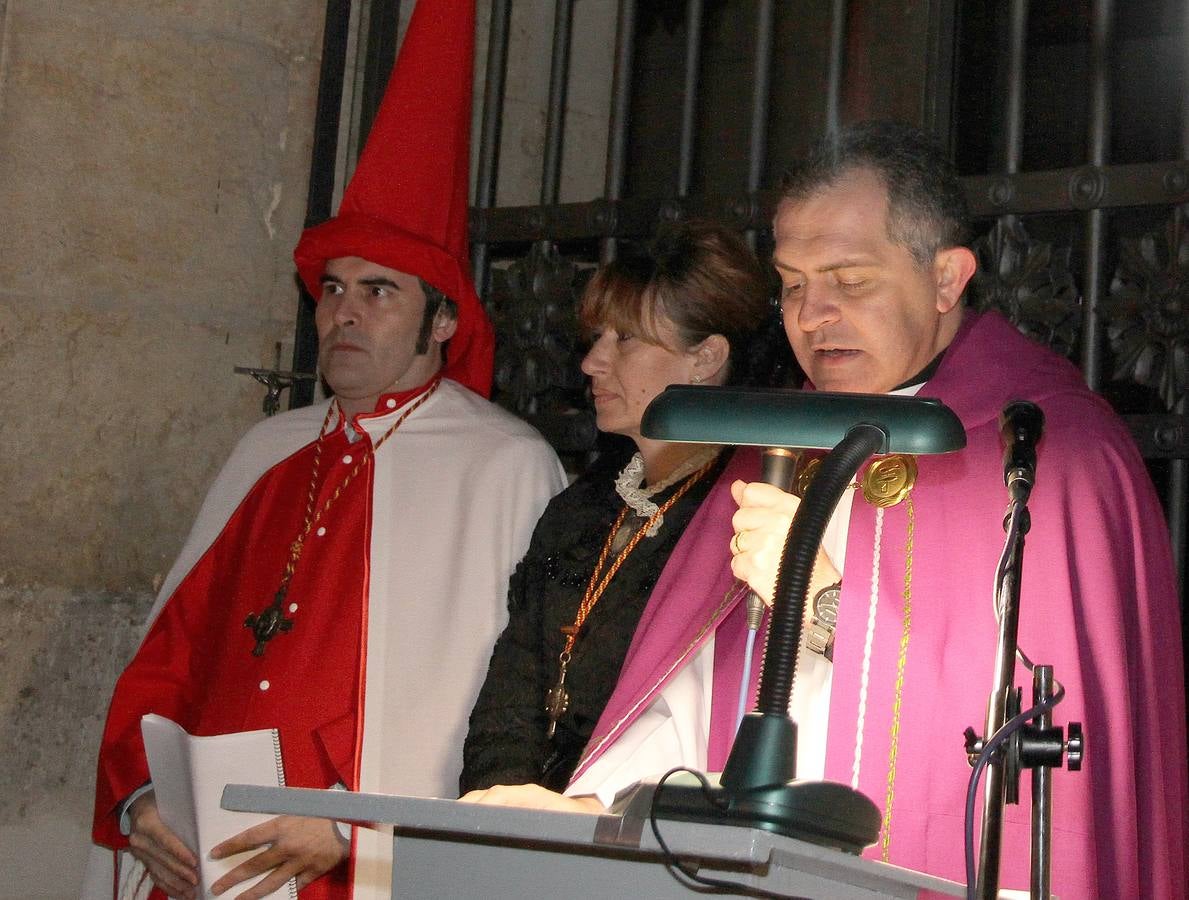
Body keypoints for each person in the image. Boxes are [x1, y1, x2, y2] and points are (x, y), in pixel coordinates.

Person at [466, 121, 1188, 898]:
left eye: (849, 280)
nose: (810, 316)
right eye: (791, 283)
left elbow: (1031, 733)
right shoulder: (782, 440)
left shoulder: (1045, 450)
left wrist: (821, 603)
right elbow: (700, 691)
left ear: (946, 278)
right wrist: (600, 807)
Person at [85, 2, 566, 899]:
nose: (344, 312)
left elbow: (509, 697)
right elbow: (170, 654)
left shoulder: (503, 465)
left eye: (379, 291)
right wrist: (141, 797)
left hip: (356, 871)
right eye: (332, 288)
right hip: (203, 861)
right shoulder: (266, 450)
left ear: (444, 320)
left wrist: (356, 824)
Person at [458, 219, 786, 805]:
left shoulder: (745, 512)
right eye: (597, 337)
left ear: (706, 357)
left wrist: (578, 813)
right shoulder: (579, 510)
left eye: (625, 339)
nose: (593, 362)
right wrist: (500, 803)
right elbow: (511, 692)